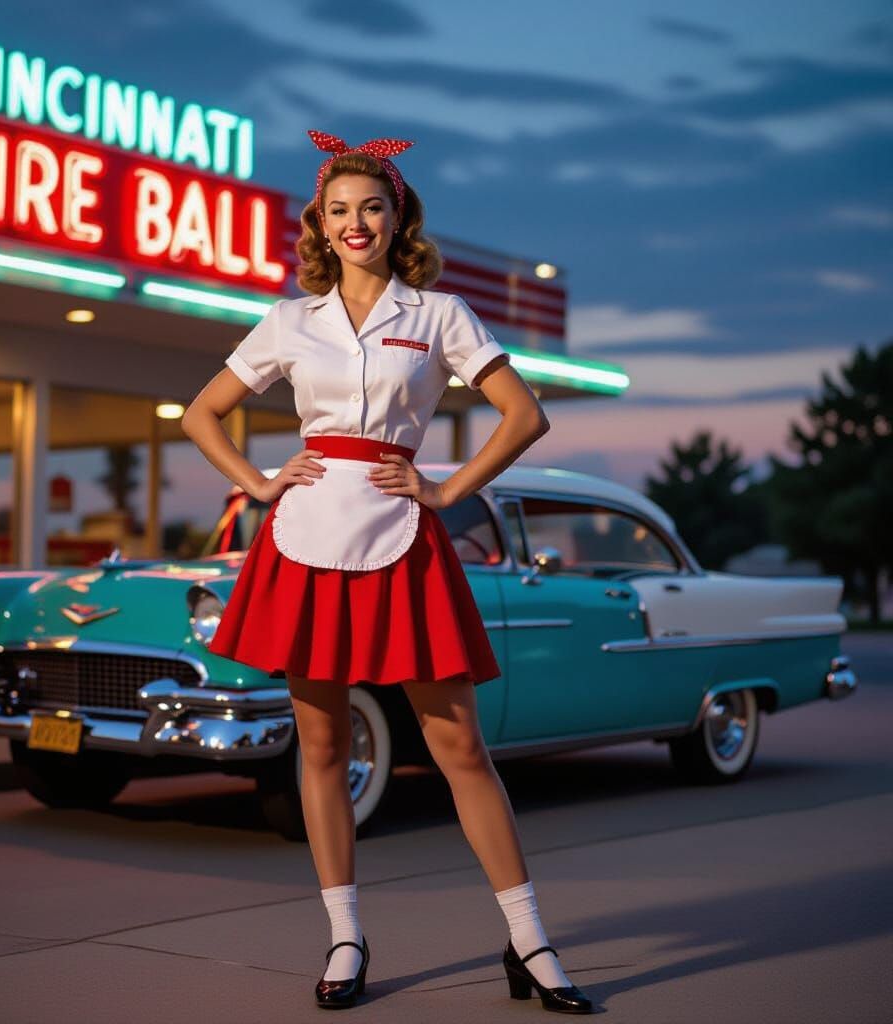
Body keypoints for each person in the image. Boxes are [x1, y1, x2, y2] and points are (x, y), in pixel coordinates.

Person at [180, 129, 594, 1015]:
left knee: (461, 751)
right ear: (320, 227)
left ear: (396, 215)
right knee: (323, 747)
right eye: (339, 211)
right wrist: (255, 482)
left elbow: (524, 416)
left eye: (371, 206)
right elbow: (201, 412)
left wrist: (449, 488)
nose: (356, 222)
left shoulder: (439, 315)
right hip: (304, 538)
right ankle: (344, 936)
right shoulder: (291, 320)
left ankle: (530, 941)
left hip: (403, 536)